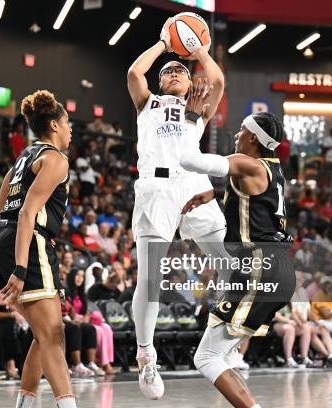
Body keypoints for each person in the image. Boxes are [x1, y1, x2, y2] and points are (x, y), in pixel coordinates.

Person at [126, 17, 227, 399]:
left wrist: (196, 47)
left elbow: (217, 82)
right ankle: (146, 355)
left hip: (193, 182)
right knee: (150, 278)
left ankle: (223, 344)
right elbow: (136, 71)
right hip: (156, 185)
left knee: (233, 262)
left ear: (188, 84)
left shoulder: (197, 108)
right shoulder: (147, 102)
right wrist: (164, 42)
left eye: (179, 72)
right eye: (167, 71)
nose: (171, 73)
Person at [180, 111, 296, 408]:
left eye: (242, 129)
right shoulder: (272, 168)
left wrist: (191, 119)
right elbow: (253, 205)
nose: (236, 134)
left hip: (259, 265)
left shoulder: (248, 163)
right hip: (275, 266)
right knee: (221, 357)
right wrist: (214, 194)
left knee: (205, 357)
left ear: (254, 138)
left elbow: (191, 160)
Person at [0, 90, 76, 408]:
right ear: (54, 125)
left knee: (45, 331)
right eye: (67, 123)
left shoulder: (25, 155)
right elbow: (26, 212)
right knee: (53, 334)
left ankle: (24, 403)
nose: (70, 129)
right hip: (28, 240)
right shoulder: (54, 159)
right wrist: (22, 268)